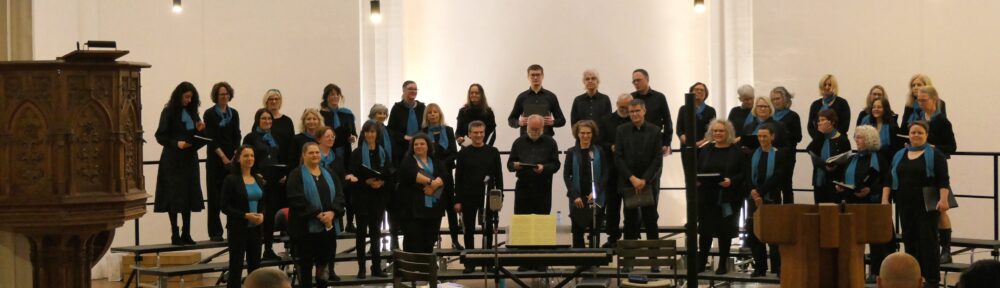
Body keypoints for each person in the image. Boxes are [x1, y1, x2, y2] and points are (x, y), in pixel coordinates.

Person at [883, 121, 950, 288]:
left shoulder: (936, 155)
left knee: (928, 241)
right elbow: (889, 179)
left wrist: (943, 199)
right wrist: (885, 200)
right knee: (910, 240)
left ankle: (932, 280)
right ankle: (915, 277)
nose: (916, 135)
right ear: (909, 134)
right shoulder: (899, 154)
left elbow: (943, 180)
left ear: (926, 135)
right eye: (913, 132)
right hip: (904, 203)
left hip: (927, 203)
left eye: (920, 132)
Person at [154, 81, 207, 245]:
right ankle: (175, 233)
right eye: (186, 97)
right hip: (172, 159)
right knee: (174, 194)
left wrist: (201, 129)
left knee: (188, 193)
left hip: (189, 158)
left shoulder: (193, 113)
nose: (189, 100)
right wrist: (177, 143)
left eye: (191, 97)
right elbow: (161, 136)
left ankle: (187, 232)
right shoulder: (168, 112)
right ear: (179, 96)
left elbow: (197, 136)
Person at [286, 142, 346, 287]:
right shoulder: (296, 174)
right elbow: (296, 199)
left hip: (326, 230)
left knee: (323, 266)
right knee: (305, 267)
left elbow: (340, 195)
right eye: (311, 153)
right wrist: (319, 215)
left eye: (317, 152)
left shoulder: (329, 173)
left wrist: (332, 212)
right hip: (304, 231)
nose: (315, 155)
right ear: (303, 155)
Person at [840, 126, 892, 282]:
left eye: (860, 137)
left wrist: (870, 189)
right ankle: (855, 272)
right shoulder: (852, 158)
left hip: (872, 204)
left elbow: (886, 181)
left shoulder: (879, 158)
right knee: (854, 242)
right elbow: (846, 178)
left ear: (869, 139)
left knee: (876, 241)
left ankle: (876, 272)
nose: (857, 140)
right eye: (856, 137)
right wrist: (841, 186)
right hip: (853, 204)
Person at [914, 86, 958, 264]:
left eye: (924, 100)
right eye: (918, 100)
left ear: (934, 100)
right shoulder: (919, 120)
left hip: (936, 169)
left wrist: (934, 148)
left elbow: (952, 147)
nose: (920, 103)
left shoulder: (942, 121)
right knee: (922, 212)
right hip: (920, 169)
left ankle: (946, 249)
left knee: (940, 210)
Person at [695, 119, 744, 275]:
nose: (717, 133)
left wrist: (731, 181)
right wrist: (697, 180)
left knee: (725, 231)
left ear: (728, 132)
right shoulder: (705, 150)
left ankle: (722, 264)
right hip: (707, 197)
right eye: (715, 131)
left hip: (728, 197)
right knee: (705, 231)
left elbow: (743, 173)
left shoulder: (736, 151)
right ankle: (701, 262)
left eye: (721, 131)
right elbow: (697, 169)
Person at [454, 120, 503, 273]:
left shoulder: (493, 152)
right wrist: (457, 200)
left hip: (488, 196)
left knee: (488, 229)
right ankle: (470, 262)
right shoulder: (463, 153)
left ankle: (487, 261)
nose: (479, 135)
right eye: (475, 133)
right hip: (468, 196)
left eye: (481, 132)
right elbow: (458, 178)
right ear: (469, 134)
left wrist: (500, 197)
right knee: (468, 230)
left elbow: (498, 177)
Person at [745, 124, 791, 277]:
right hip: (753, 200)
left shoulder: (781, 154)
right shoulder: (752, 154)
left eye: (765, 136)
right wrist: (754, 191)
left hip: (772, 199)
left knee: (774, 235)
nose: (762, 139)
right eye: (759, 136)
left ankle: (778, 268)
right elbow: (748, 176)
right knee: (754, 235)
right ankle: (760, 268)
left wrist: (760, 192)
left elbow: (778, 177)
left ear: (772, 137)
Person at [615, 99, 663, 244]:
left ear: (644, 111)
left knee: (651, 220)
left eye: (637, 111)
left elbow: (657, 158)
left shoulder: (654, 130)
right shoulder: (621, 130)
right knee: (629, 220)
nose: (634, 114)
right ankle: (629, 263)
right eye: (631, 112)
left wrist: (644, 180)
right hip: (628, 182)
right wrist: (632, 178)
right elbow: (618, 157)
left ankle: (654, 261)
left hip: (648, 183)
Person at [348, 120, 392, 279]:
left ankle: (376, 268)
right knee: (361, 234)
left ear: (377, 134)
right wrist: (365, 181)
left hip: (378, 197)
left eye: (373, 132)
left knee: (376, 234)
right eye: (367, 132)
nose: (370, 134)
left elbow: (388, 171)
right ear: (363, 134)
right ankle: (361, 269)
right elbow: (352, 175)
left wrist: (382, 181)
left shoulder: (383, 152)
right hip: (362, 197)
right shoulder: (357, 153)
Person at [314, 126, 357, 280]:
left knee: (331, 241)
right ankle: (320, 273)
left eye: (333, 136)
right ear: (319, 139)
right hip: (317, 204)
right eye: (327, 136)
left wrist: (347, 178)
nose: (331, 138)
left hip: (333, 204)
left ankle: (330, 270)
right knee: (318, 243)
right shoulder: (314, 156)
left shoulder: (335, 157)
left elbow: (341, 178)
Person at [220, 145, 266, 288]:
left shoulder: (258, 179)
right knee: (236, 267)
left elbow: (263, 202)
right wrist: (245, 215)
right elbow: (224, 206)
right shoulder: (231, 179)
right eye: (246, 156)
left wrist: (262, 215)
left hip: (255, 230)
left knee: (255, 267)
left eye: (252, 155)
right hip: (238, 229)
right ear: (238, 159)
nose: (250, 158)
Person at [242, 109, 284, 260]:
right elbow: (245, 157)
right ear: (257, 120)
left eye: (269, 119)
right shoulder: (251, 137)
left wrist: (282, 174)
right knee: (259, 214)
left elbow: (279, 157)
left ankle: (268, 248)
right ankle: (255, 252)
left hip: (274, 183)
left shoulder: (275, 137)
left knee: (270, 216)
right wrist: (255, 174)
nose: (267, 121)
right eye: (264, 118)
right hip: (257, 182)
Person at [398, 133, 450, 253]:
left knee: (429, 242)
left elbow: (445, 175)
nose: (419, 146)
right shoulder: (408, 160)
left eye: (422, 144)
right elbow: (413, 174)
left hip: (433, 210)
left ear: (428, 146)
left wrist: (435, 184)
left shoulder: (436, 161)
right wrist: (433, 182)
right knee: (414, 242)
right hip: (413, 211)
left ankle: (426, 270)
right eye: (416, 144)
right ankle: (413, 270)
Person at [203, 81, 241, 242]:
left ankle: (232, 228)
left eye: (226, 94)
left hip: (232, 159)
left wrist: (234, 155)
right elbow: (210, 138)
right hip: (215, 159)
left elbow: (237, 135)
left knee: (232, 195)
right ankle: (215, 232)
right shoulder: (210, 114)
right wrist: (223, 157)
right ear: (216, 97)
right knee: (214, 195)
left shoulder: (234, 113)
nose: (224, 97)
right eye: (221, 94)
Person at [563, 120, 610, 250]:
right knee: (578, 232)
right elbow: (566, 176)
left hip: (595, 197)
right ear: (577, 134)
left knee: (595, 231)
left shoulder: (599, 151)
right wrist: (574, 195)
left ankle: (593, 260)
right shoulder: (571, 152)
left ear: (592, 134)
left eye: (588, 133)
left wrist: (596, 192)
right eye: (582, 133)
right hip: (578, 198)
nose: (585, 136)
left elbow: (605, 173)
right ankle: (580, 262)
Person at [421, 103, 462, 249]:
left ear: (440, 114)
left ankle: (455, 240)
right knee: (435, 209)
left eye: (435, 112)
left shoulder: (449, 130)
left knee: (451, 208)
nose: (432, 114)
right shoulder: (423, 132)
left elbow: (454, 152)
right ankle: (431, 240)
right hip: (430, 176)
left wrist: (442, 165)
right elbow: (422, 154)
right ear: (426, 116)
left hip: (446, 175)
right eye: (430, 112)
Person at [261, 89, 294, 260]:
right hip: (267, 177)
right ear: (266, 101)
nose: (274, 101)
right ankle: (268, 248)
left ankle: (292, 248)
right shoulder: (262, 121)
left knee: (288, 210)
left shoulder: (287, 121)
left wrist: (287, 173)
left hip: (284, 173)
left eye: (276, 99)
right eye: (270, 99)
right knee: (269, 212)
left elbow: (291, 149)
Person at [597, 94, 633, 248]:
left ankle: (631, 237)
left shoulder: (634, 120)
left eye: (627, 107)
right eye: (621, 107)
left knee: (631, 206)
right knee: (612, 205)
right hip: (612, 169)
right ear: (616, 104)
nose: (624, 110)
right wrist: (610, 146)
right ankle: (613, 236)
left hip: (630, 169)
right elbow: (599, 142)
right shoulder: (606, 121)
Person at [507, 115, 561, 216]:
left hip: (543, 188)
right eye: (532, 129)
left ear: (543, 128)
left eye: (537, 129)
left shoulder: (551, 143)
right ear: (527, 126)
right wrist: (515, 166)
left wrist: (544, 168)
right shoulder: (518, 142)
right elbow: (509, 164)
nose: (534, 131)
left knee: (542, 222)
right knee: (522, 221)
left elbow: (556, 165)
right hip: (523, 187)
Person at [368, 104, 404, 250]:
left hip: (391, 174)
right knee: (376, 213)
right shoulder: (368, 130)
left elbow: (395, 152)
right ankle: (374, 244)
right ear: (373, 114)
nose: (382, 115)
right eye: (378, 113)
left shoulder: (389, 130)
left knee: (393, 210)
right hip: (376, 176)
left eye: (384, 113)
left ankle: (394, 239)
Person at [507, 64, 566, 136]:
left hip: (546, 139)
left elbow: (562, 120)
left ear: (542, 76)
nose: (535, 77)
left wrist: (553, 122)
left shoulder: (551, 96)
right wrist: (519, 122)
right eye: (532, 75)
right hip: (526, 139)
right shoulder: (522, 97)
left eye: (538, 75)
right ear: (528, 77)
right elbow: (511, 120)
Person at [807, 109, 851, 204]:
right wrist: (820, 133)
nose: (819, 123)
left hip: (835, 181)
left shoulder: (842, 139)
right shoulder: (819, 137)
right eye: (819, 120)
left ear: (832, 122)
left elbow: (847, 160)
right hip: (819, 181)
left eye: (823, 120)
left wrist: (836, 166)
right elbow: (810, 150)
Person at [769, 86, 802, 203]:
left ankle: (789, 216)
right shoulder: (769, 117)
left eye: (778, 98)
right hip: (771, 155)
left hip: (787, 156)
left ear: (785, 99)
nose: (775, 102)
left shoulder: (793, 116)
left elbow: (798, 137)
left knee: (786, 186)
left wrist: (782, 132)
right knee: (773, 187)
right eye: (773, 99)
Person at [630, 68, 673, 156]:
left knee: (655, 168)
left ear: (647, 79)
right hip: (635, 142)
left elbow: (667, 120)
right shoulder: (631, 97)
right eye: (634, 81)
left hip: (655, 141)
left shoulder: (659, 97)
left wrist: (667, 143)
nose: (636, 83)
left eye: (638, 80)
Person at [388, 81, 425, 164]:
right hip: (401, 147)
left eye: (415, 89)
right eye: (410, 89)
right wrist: (404, 137)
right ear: (404, 91)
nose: (413, 91)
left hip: (420, 146)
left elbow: (426, 127)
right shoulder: (397, 108)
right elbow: (390, 129)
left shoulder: (422, 107)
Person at [807, 74, 851, 142]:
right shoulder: (815, 104)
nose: (827, 87)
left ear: (834, 87)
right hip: (819, 142)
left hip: (838, 142)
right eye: (824, 85)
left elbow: (845, 126)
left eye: (830, 85)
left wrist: (831, 136)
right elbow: (810, 126)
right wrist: (818, 138)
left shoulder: (842, 103)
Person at [859, 97, 904, 162]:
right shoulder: (867, 126)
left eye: (879, 107)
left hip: (886, 161)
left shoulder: (893, 127)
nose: (876, 109)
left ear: (885, 109)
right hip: (867, 160)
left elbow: (895, 149)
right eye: (874, 107)